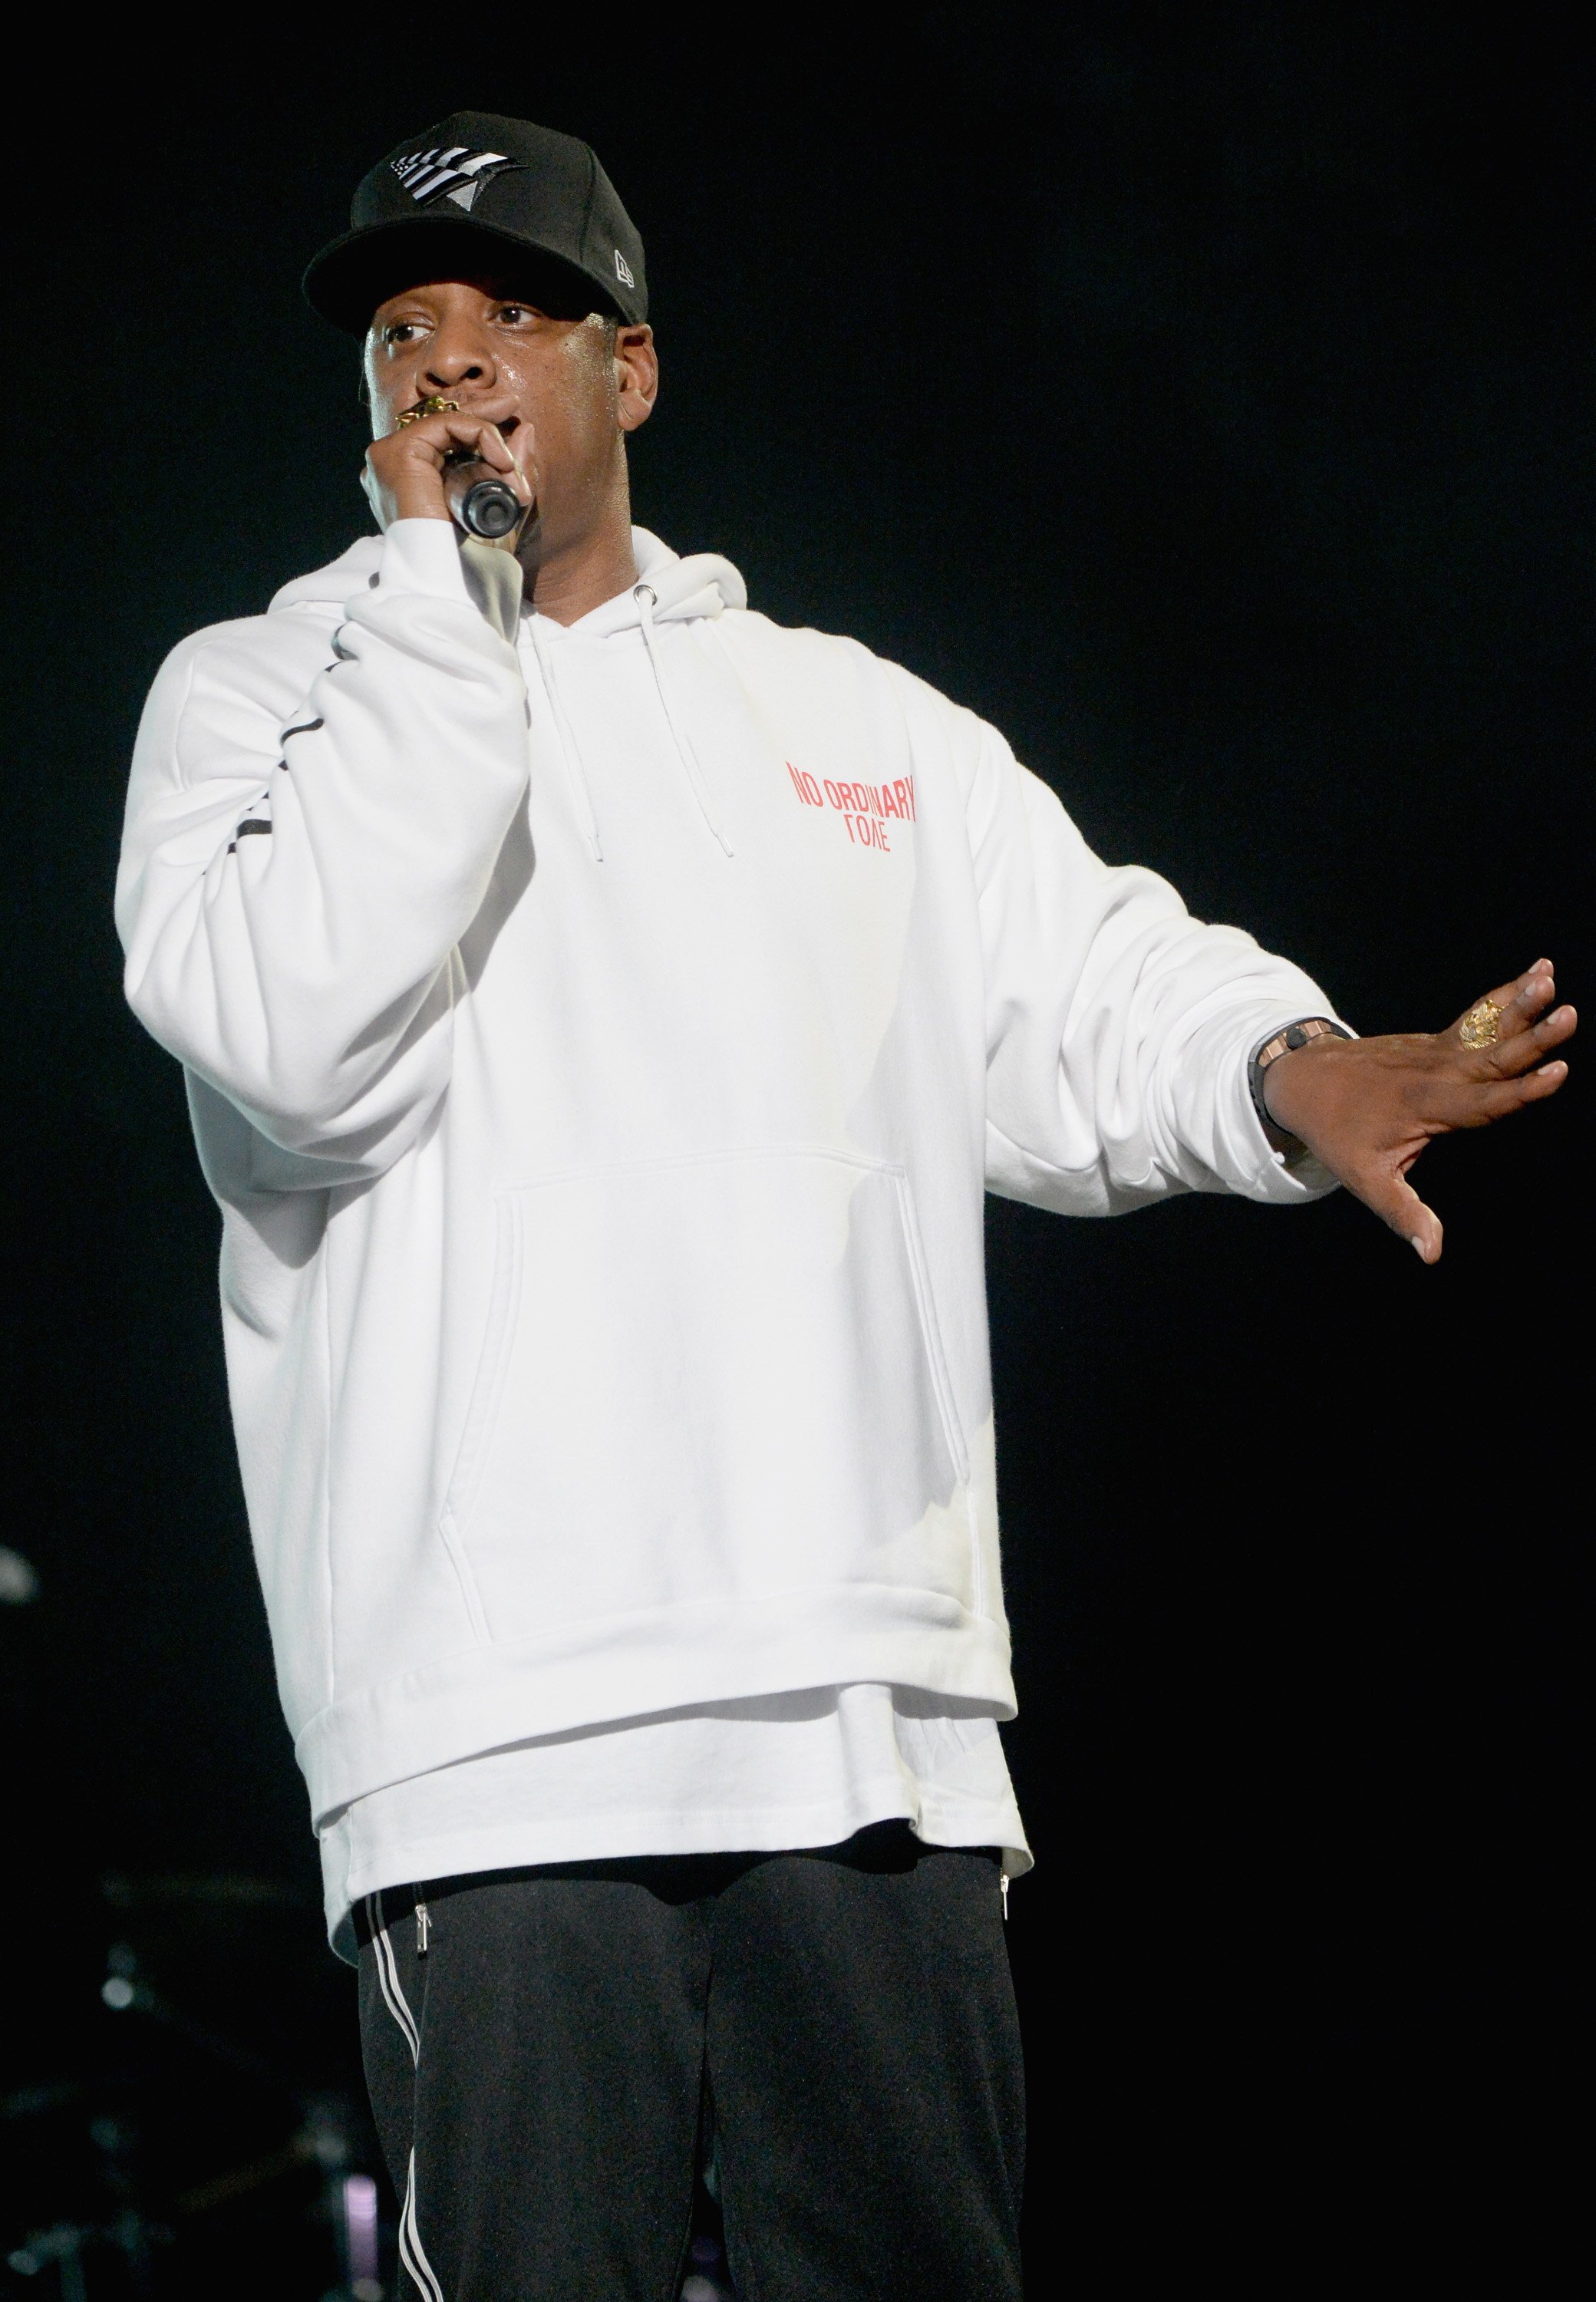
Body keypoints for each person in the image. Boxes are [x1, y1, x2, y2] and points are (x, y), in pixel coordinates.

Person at [114, 111, 1574, 2300]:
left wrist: (1283, 1070)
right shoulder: (262, 696)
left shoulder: (850, 720)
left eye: (517, 311)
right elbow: (293, 1032)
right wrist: (438, 604)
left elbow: (1096, 987)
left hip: (867, 1727)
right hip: (499, 1753)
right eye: (407, 328)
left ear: (637, 368)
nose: (454, 361)